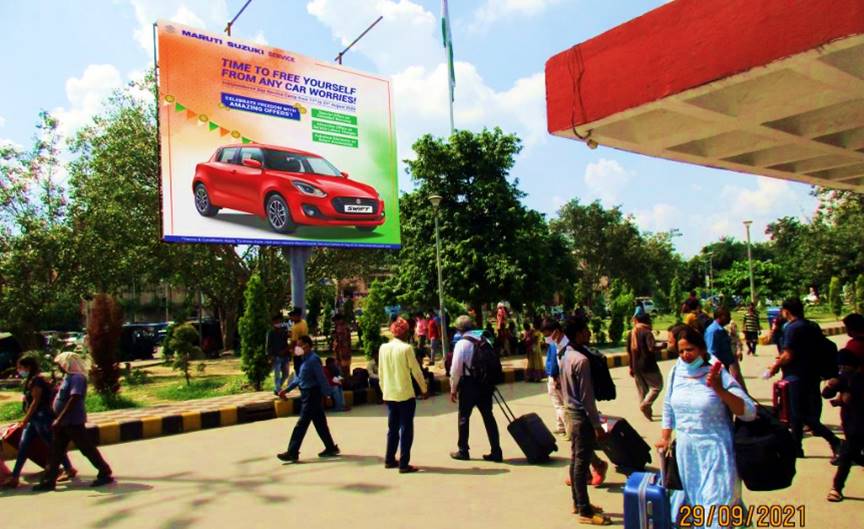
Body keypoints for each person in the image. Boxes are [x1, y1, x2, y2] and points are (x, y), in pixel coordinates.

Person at [655, 326, 757, 528]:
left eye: (690, 350)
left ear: (702, 349)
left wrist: (719, 390)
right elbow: (668, 407)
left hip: (716, 452)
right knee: (695, 507)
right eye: (681, 351)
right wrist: (665, 437)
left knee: (717, 508)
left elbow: (748, 411)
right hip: (687, 455)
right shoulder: (676, 372)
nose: (685, 355)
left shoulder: (717, 372)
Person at [545, 317, 611, 525]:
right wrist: (597, 425)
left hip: (571, 414)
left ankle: (579, 502)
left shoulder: (566, 356)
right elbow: (587, 398)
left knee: (576, 461)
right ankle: (585, 510)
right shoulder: (581, 360)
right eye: (586, 330)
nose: (589, 334)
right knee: (581, 465)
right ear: (578, 334)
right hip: (581, 417)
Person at [767, 298, 841, 458]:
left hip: (796, 376)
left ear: (786, 311)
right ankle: (797, 447)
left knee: (800, 414)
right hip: (812, 374)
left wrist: (775, 366)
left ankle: (834, 440)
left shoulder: (792, 328)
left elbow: (788, 354)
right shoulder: (811, 325)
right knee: (796, 414)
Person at [33, 353, 113, 491]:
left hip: (73, 421)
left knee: (86, 448)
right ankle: (48, 480)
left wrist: (60, 418)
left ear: (67, 364)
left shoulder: (77, 378)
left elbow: (74, 397)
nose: (58, 367)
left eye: (60, 364)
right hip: (64, 422)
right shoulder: (67, 378)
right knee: (56, 451)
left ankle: (105, 471)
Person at [1, 355, 76, 489]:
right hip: (34, 419)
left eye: (20, 367)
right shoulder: (31, 380)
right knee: (23, 446)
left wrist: (25, 419)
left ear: (28, 367)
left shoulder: (37, 381)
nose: (19, 370)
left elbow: (36, 401)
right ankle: (15, 477)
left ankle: (69, 468)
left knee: (52, 445)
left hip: (41, 417)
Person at [277, 335, 340, 463]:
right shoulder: (304, 360)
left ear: (307, 345)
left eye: (299, 345)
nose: (297, 348)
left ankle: (292, 452)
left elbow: (321, 378)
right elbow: (299, 379)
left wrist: (328, 394)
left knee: (301, 424)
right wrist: (286, 390)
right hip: (307, 394)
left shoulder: (313, 360)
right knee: (320, 423)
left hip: (312, 395)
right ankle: (330, 447)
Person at [449, 315, 503, 463]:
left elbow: (455, 370)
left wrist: (453, 389)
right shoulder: (484, 340)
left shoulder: (461, 344)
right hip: (485, 383)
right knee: (488, 416)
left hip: (469, 384)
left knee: (464, 417)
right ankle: (496, 451)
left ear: (459, 329)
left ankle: (463, 450)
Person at [379, 317, 427, 473]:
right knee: (406, 428)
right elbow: (416, 371)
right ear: (405, 332)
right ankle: (404, 463)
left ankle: (389, 459)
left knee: (392, 428)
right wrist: (424, 388)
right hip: (405, 394)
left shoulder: (383, 348)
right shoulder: (406, 348)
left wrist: (383, 391)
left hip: (390, 394)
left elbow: (381, 373)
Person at [823, 348, 864, 502]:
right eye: (840, 367)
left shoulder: (859, 379)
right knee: (851, 454)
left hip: (859, 424)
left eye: (845, 366)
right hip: (849, 423)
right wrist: (830, 386)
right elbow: (826, 394)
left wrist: (850, 397)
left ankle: (836, 488)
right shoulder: (844, 378)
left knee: (847, 455)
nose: (842, 369)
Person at [627, 313, 663, 421]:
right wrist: (663, 345)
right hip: (648, 365)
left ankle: (647, 411)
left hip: (636, 366)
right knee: (657, 386)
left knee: (642, 390)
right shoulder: (647, 332)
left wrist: (631, 366)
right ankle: (645, 405)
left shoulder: (631, 333)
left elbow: (629, 351)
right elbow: (651, 347)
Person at [705, 307, 746, 390]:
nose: (730, 318)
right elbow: (711, 352)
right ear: (721, 316)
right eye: (728, 316)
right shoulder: (714, 331)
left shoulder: (720, 329)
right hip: (718, 369)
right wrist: (717, 369)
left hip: (724, 367)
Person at [545, 321, 567, 436]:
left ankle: (567, 429)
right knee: (561, 403)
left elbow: (553, 362)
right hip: (562, 376)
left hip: (555, 377)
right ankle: (560, 426)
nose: (546, 338)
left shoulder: (555, 344)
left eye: (547, 334)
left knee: (559, 405)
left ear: (555, 331)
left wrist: (553, 377)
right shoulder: (565, 341)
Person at [267, 314, 289, 395]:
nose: (278, 323)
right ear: (273, 323)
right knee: (277, 375)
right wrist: (270, 356)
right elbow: (268, 345)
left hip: (285, 356)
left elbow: (287, 341)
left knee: (286, 374)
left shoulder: (284, 331)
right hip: (276, 356)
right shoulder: (271, 333)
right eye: (277, 322)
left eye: (280, 322)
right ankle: (278, 389)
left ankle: (277, 388)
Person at [331, 314, 353, 380]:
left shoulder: (342, 328)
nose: (335, 322)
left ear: (340, 320)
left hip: (343, 352)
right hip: (341, 352)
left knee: (343, 370)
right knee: (343, 370)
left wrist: (335, 341)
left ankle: (345, 382)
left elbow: (341, 341)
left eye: (335, 321)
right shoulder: (341, 327)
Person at [288, 308, 309, 375]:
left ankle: (300, 380)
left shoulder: (295, 327)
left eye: (292, 316)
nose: (291, 318)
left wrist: (290, 349)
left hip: (298, 350)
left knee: (298, 368)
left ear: (297, 316)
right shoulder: (304, 322)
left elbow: (294, 341)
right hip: (306, 348)